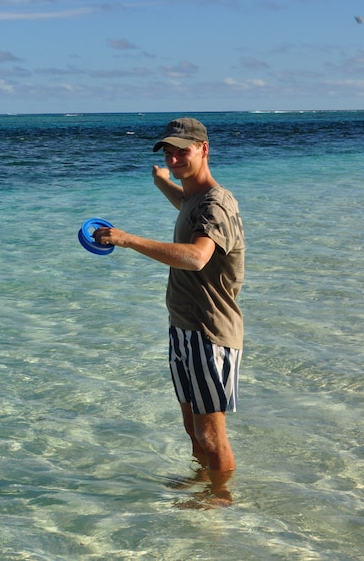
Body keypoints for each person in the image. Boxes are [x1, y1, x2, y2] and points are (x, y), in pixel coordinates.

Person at [93, 117, 244, 504]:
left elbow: (196, 258)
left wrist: (127, 239)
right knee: (192, 427)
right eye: (169, 151)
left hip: (210, 331)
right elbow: (183, 202)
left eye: (184, 150)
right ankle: (202, 479)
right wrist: (162, 178)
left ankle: (222, 495)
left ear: (204, 149)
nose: (176, 157)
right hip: (183, 328)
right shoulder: (192, 198)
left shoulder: (216, 204)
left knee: (211, 432)